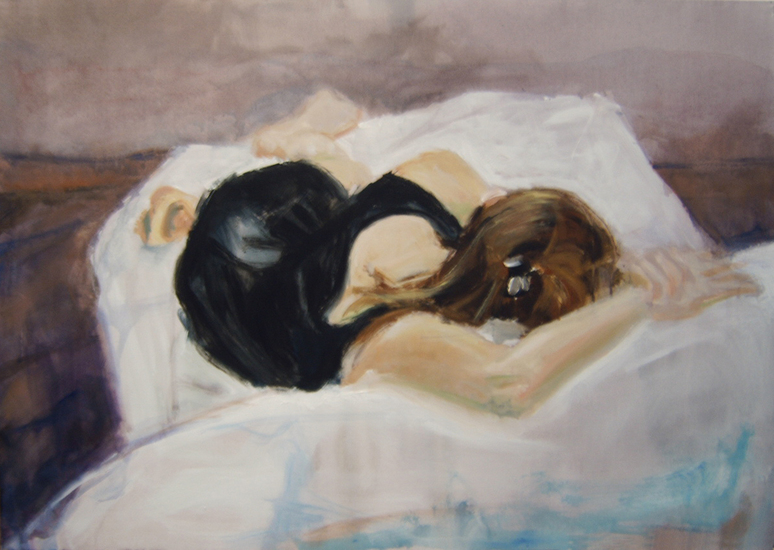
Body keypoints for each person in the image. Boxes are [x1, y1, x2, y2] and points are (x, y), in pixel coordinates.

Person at [143, 89, 759, 417]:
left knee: (344, 184)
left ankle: (282, 150)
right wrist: (640, 299)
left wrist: (633, 282)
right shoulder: (390, 332)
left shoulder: (441, 180)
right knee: (341, 187)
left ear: (495, 205)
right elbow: (508, 381)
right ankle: (216, 193)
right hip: (226, 275)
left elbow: (516, 249)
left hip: (269, 216)